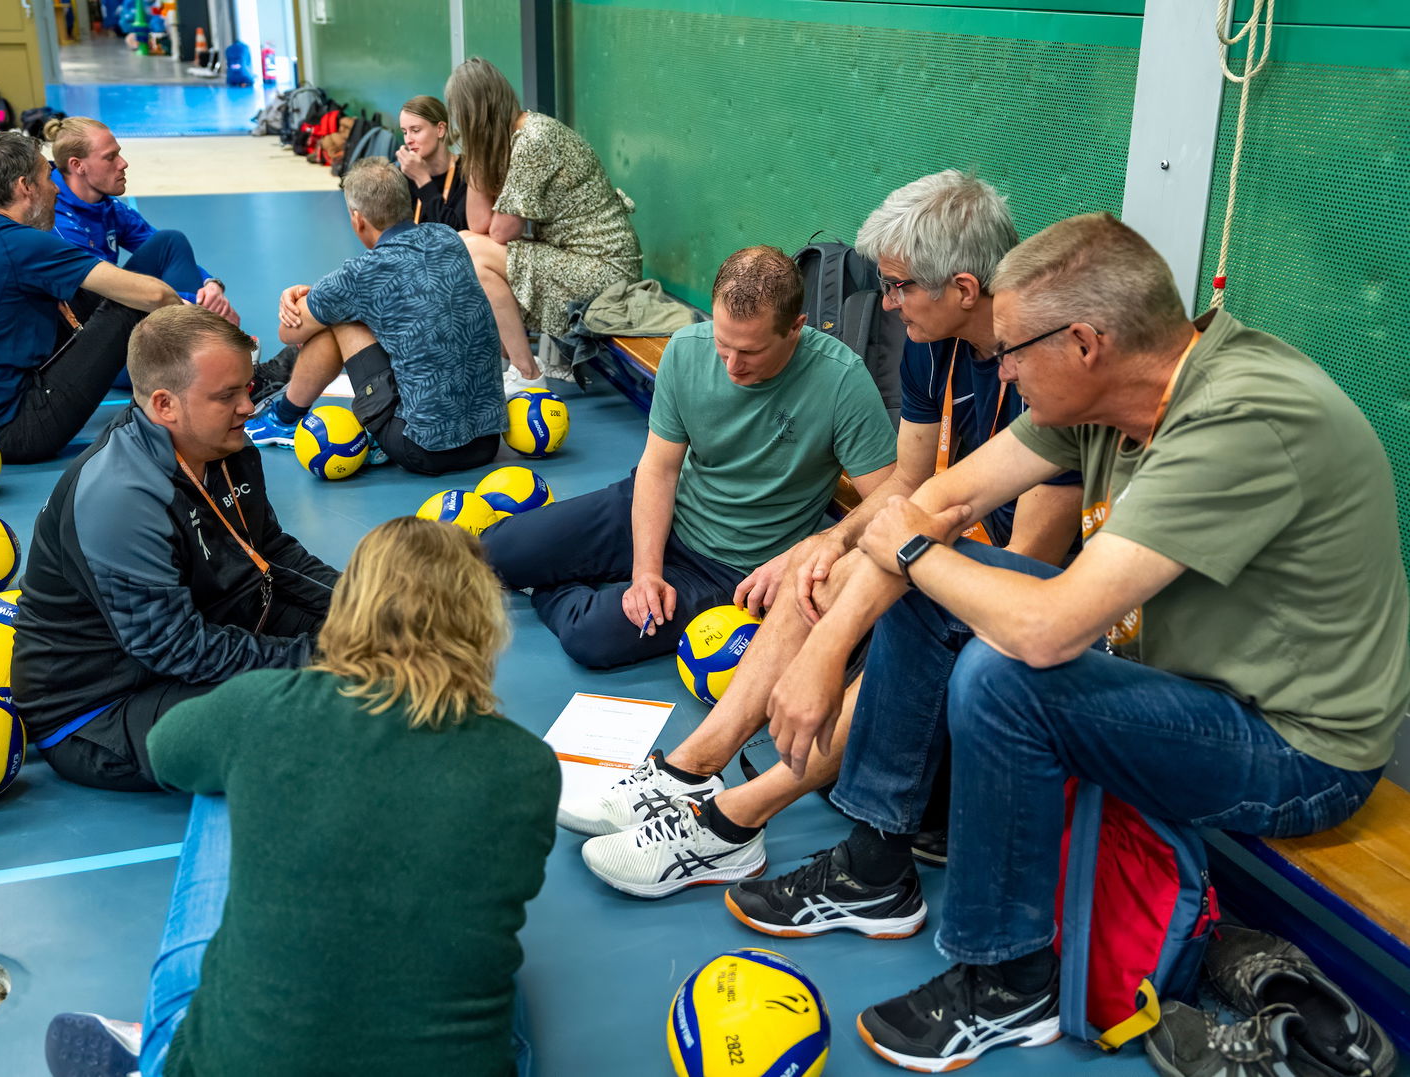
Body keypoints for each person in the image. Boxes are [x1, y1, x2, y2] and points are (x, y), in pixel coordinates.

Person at [729, 213, 1408, 1073]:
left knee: (1003, 672)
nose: (1000, 369)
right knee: (938, 587)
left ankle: (1009, 985)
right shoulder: (1107, 391)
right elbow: (934, 507)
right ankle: (874, 865)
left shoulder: (1242, 420)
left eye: (1011, 350)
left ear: (1084, 342)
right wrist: (826, 650)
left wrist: (905, 547)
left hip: (1296, 748)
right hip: (1178, 683)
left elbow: (1042, 627)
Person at [561, 173, 1082, 899]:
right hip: (953, 549)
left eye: (899, 288)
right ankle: (690, 766)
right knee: (828, 565)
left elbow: (1021, 566)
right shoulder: (936, 344)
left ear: (964, 288)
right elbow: (908, 489)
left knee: (899, 602)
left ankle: (730, 824)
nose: (888, 305)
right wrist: (831, 547)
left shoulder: (1051, 373)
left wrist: (860, 599)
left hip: (1029, 599)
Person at [43, 516, 559, 1077]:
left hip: (238, 1061)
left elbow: (166, 751)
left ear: (350, 609)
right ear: (482, 625)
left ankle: (164, 1054)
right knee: (493, 980)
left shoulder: (265, 705)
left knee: (221, 774)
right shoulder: (527, 766)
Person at [481, 244, 897, 675]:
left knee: (591, 637)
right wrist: (646, 572)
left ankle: (559, 583)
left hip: (728, 569)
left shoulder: (842, 380)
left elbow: (888, 502)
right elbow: (659, 470)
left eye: (751, 352)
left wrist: (801, 558)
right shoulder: (686, 349)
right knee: (493, 552)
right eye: (723, 344)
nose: (733, 365)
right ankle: (595, 574)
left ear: (796, 328)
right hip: (655, 509)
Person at [11, 305, 338, 792]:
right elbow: (173, 646)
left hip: (216, 626)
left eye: (246, 389)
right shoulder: (121, 496)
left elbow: (268, 552)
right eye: (227, 396)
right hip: (104, 705)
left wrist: (360, 603)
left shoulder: (225, 444)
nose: (249, 408)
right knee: (327, 710)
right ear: (164, 405)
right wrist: (315, 659)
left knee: (393, 638)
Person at [245, 158, 504, 475]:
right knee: (357, 311)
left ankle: (283, 418)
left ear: (357, 220)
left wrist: (301, 297)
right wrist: (324, 295)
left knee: (340, 319)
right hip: (486, 443)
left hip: (421, 449)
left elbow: (290, 333)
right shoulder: (447, 238)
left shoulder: (360, 276)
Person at [0, 131, 183, 462]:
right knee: (131, 302)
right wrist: (198, 323)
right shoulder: (24, 244)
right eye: (48, 178)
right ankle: (198, 382)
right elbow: (156, 295)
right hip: (17, 429)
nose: (56, 188)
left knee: (84, 290)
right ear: (25, 186)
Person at [446, 56, 642, 396]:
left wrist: (475, 151)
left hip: (605, 269)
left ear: (474, 113)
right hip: (577, 259)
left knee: (471, 253)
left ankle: (525, 371)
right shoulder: (515, 137)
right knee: (467, 244)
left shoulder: (534, 139)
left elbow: (500, 232)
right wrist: (477, 154)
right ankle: (517, 367)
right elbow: (477, 223)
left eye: (461, 116)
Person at [50, 117, 241, 325]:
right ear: (78, 165)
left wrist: (210, 284)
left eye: (119, 153)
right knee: (198, 317)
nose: (123, 163)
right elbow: (103, 293)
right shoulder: (58, 222)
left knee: (169, 242)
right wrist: (200, 306)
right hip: (88, 324)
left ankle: (204, 335)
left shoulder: (106, 206)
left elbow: (156, 243)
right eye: (110, 157)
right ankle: (207, 336)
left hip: (111, 298)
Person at [396, 94, 468, 230]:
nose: (408, 140)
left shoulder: (468, 172)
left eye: (415, 130)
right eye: (405, 132)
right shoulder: (404, 174)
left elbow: (455, 234)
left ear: (440, 129)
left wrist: (422, 180)